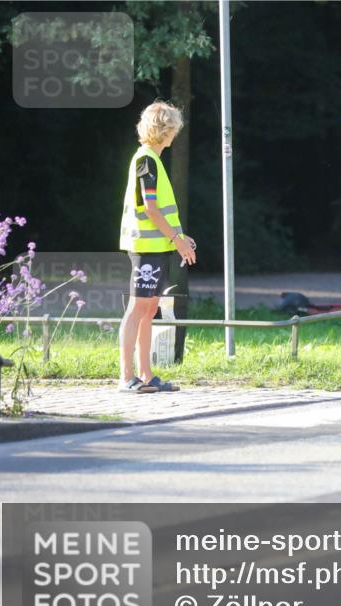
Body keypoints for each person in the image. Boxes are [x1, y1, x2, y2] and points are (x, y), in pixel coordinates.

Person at [118, 101, 197, 393]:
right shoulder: (146, 160)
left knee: (149, 310)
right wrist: (177, 240)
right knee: (138, 308)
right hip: (146, 246)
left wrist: (179, 237)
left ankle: (146, 375)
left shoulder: (153, 160)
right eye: (173, 128)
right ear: (165, 130)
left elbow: (161, 209)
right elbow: (151, 208)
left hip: (158, 245)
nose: (175, 134)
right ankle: (127, 377)